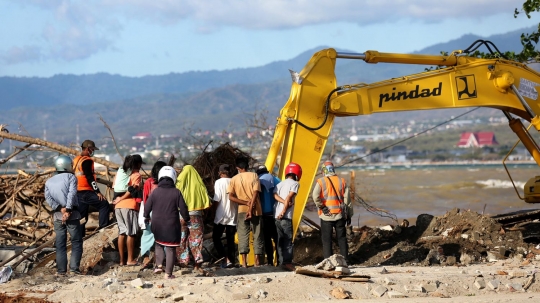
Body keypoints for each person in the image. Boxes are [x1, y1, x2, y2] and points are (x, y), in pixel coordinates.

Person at [144, 166, 190, 279]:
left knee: (159, 244)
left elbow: (147, 207)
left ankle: (159, 265)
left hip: (156, 224)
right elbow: (183, 208)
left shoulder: (155, 192)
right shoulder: (176, 192)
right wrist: (187, 219)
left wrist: (145, 217)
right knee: (170, 248)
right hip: (171, 225)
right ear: (173, 177)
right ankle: (168, 274)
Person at [44, 155, 83, 276]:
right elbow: (71, 194)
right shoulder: (71, 177)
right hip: (72, 214)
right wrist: (68, 210)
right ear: (67, 165)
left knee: (60, 244)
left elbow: (48, 198)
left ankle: (61, 271)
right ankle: (74, 269)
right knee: (76, 241)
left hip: (57, 215)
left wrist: (60, 209)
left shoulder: (49, 181)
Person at [312, 160, 353, 261]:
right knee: (342, 239)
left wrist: (322, 207)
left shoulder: (321, 181)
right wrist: (349, 215)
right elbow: (347, 200)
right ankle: (345, 261)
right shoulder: (342, 181)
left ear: (324, 171)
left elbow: (315, 196)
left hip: (326, 216)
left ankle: (328, 261)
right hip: (339, 215)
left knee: (327, 240)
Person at [228, 158, 264, 267]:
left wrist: (245, 203)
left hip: (242, 210)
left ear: (238, 168)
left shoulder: (234, 179)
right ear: (247, 166)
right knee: (257, 234)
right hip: (256, 210)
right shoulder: (254, 176)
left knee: (243, 235)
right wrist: (251, 206)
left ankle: (244, 262)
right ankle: (257, 261)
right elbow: (255, 192)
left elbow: (231, 196)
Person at [175, 165, 211, 274]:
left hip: (181, 215)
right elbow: (207, 201)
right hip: (195, 215)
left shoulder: (178, 183)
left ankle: (183, 261)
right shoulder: (199, 184)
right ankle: (197, 263)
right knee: (196, 239)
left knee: (181, 238)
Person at [112, 154, 144, 266]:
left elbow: (114, 186)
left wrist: (118, 199)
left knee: (122, 233)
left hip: (118, 206)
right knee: (131, 233)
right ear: (138, 164)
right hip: (129, 205)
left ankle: (121, 261)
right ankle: (130, 260)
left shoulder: (121, 172)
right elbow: (132, 190)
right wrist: (122, 198)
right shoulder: (136, 175)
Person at [73, 139, 109, 236]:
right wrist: (97, 191)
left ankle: (80, 237)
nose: (93, 151)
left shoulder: (77, 160)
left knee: (82, 217)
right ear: (88, 149)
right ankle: (103, 228)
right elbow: (89, 177)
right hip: (86, 191)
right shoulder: (86, 161)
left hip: (78, 192)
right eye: (92, 149)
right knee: (104, 204)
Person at [273, 162, 301, 271]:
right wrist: (283, 211)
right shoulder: (295, 184)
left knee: (279, 240)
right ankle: (288, 263)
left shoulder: (280, 184)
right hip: (285, 216)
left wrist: (282, 205)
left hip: (276, 215)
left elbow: (274, 195)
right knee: (288, 241)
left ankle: (281, 262)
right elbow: (289, 197)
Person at [138, 160, 167, 267]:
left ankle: (145, 257)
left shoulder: (149, 182)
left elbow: (145, 198)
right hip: (163, 212)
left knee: (147, 235)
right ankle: (161, 259)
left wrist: (146, 213)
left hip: (150, 211)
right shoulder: (166, 183)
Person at [212, 164, 237, 268]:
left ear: (220, 173)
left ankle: (224, 258)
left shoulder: (219, 182)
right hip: (233, 214)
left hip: (221, 214)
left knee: (216, 237)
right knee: (230, 239)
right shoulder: (234, 181)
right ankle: (231, 260)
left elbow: (217, 199)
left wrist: (213, 210)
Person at [256, 165, 280, 266]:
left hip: (264, 215)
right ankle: (280, 261)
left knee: (267, 239)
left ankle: (270, 261)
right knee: (277, 238)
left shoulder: (258, 181)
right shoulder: (277, 179)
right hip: (276, 213)